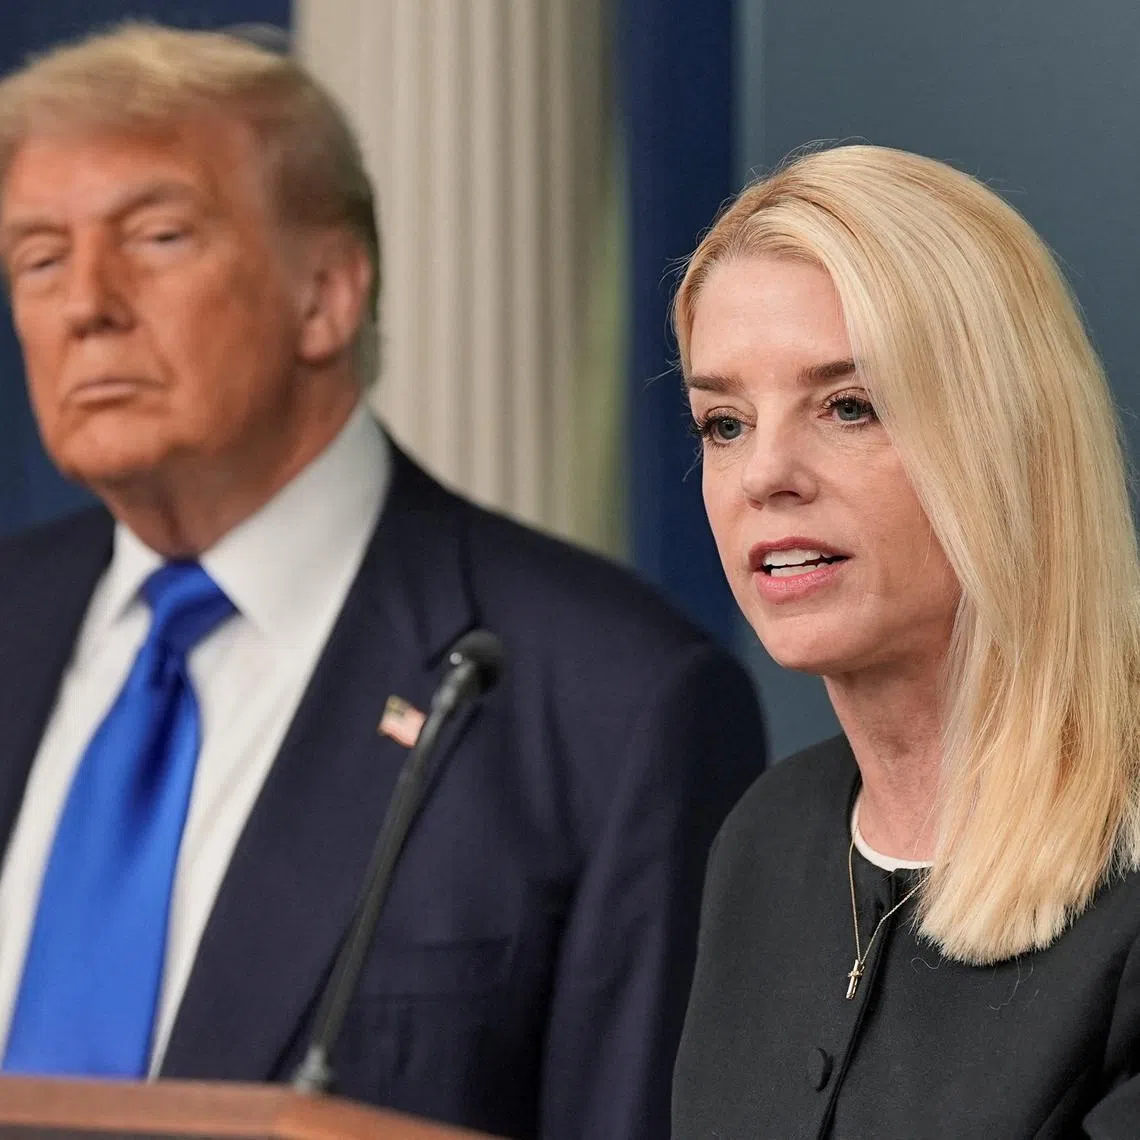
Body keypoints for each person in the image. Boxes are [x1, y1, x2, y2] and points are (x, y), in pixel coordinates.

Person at [0, 23, 766, 1140]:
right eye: (37, 258)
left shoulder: (619, 704)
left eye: (156, 236)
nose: (86, 304)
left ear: (328, 294)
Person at [669, 143, 1140, 1139]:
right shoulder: (768, 838)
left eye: (849, 405)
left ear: (1007, 439)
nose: (765, 475)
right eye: (724, 423)